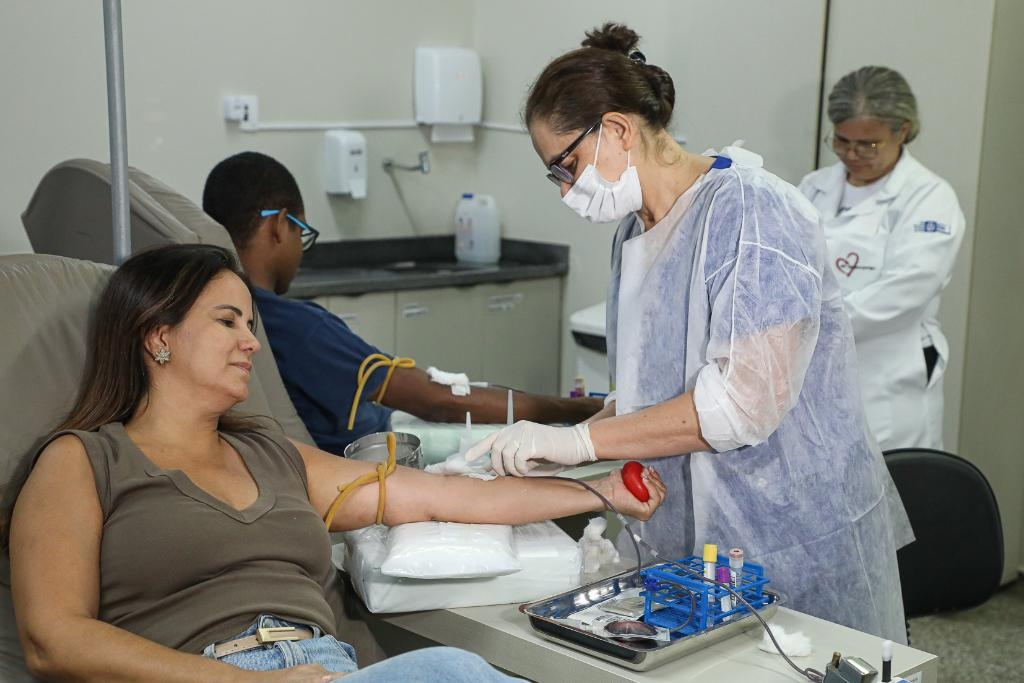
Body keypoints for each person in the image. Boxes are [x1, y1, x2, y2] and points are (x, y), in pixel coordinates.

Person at [6, 244, 665, 681]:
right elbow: (52, 640)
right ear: (159, 336)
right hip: (208, 672)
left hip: (328, 668)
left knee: (457, 671)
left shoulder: (272, 454)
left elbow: (448, 497)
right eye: (228, 322)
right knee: (455, 673)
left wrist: (603, 490)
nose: (250, 343)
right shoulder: (82, 462)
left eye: (251, 326)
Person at [466, 23, 913, 642]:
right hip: (684, 539)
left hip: (787, 532)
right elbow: (653, 395)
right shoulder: (635, 234)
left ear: (617, 129)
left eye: (566, 166)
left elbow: (741, 405)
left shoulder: (752, 212)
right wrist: (567, 443)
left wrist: (580, 443)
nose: (567, 191)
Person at [201, 152, 603, 456]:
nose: (300, 252)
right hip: (373, 454)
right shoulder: (298, 328)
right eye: (300, 233)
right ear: (278, 225)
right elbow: (440, 401)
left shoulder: (209, 319)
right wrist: (575, 410)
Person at [798, 66, 965, 451]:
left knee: (889, 476)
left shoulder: (929, 198)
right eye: (842, 141)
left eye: (868, 144)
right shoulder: (814, 187)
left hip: (887, 378)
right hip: (814, 370)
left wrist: (813, 322)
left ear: (902, 131)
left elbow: (905, 291)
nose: (851, 154)